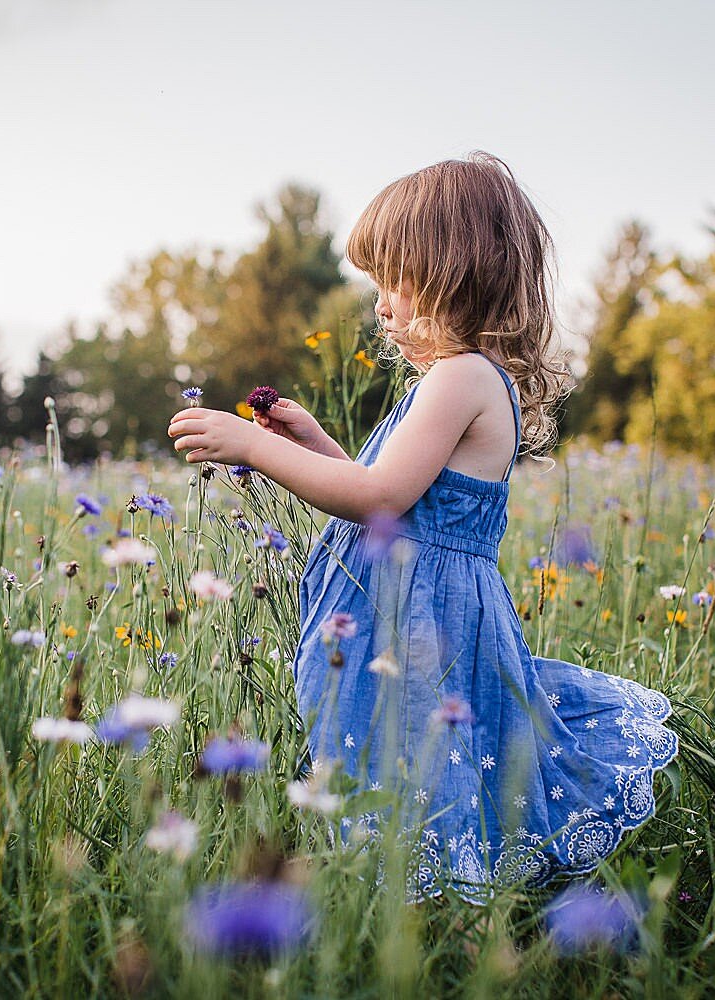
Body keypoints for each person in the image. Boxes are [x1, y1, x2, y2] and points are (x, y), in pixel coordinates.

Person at [166, 151, 677, 901]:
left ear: (449, 274)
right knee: (418, 761)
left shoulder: (461, 377)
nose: (379, 306)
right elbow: (393, 505)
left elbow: (377, 499)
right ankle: (428, 903)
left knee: (423, 764)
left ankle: (444, 914)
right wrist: (314, 444)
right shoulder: (457, 381)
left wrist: (254, 447)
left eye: (392, 284)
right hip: (413, 604)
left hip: (421, 619)